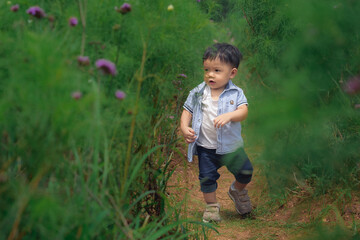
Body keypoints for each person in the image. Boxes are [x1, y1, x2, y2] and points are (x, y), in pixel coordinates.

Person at [180, 43, 253, 222]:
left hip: (231, 147)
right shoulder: (198, 93)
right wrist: (184, 127)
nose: (210, 74)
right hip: (206, 148)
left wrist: (230, 115)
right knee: (207, 178)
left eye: (217, 70)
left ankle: (237, 190)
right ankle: (212, 206)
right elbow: (187, 110)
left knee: (246, 172)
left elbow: (243, 111)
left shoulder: (236, 93)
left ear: (232, 73)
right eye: (207, 69)